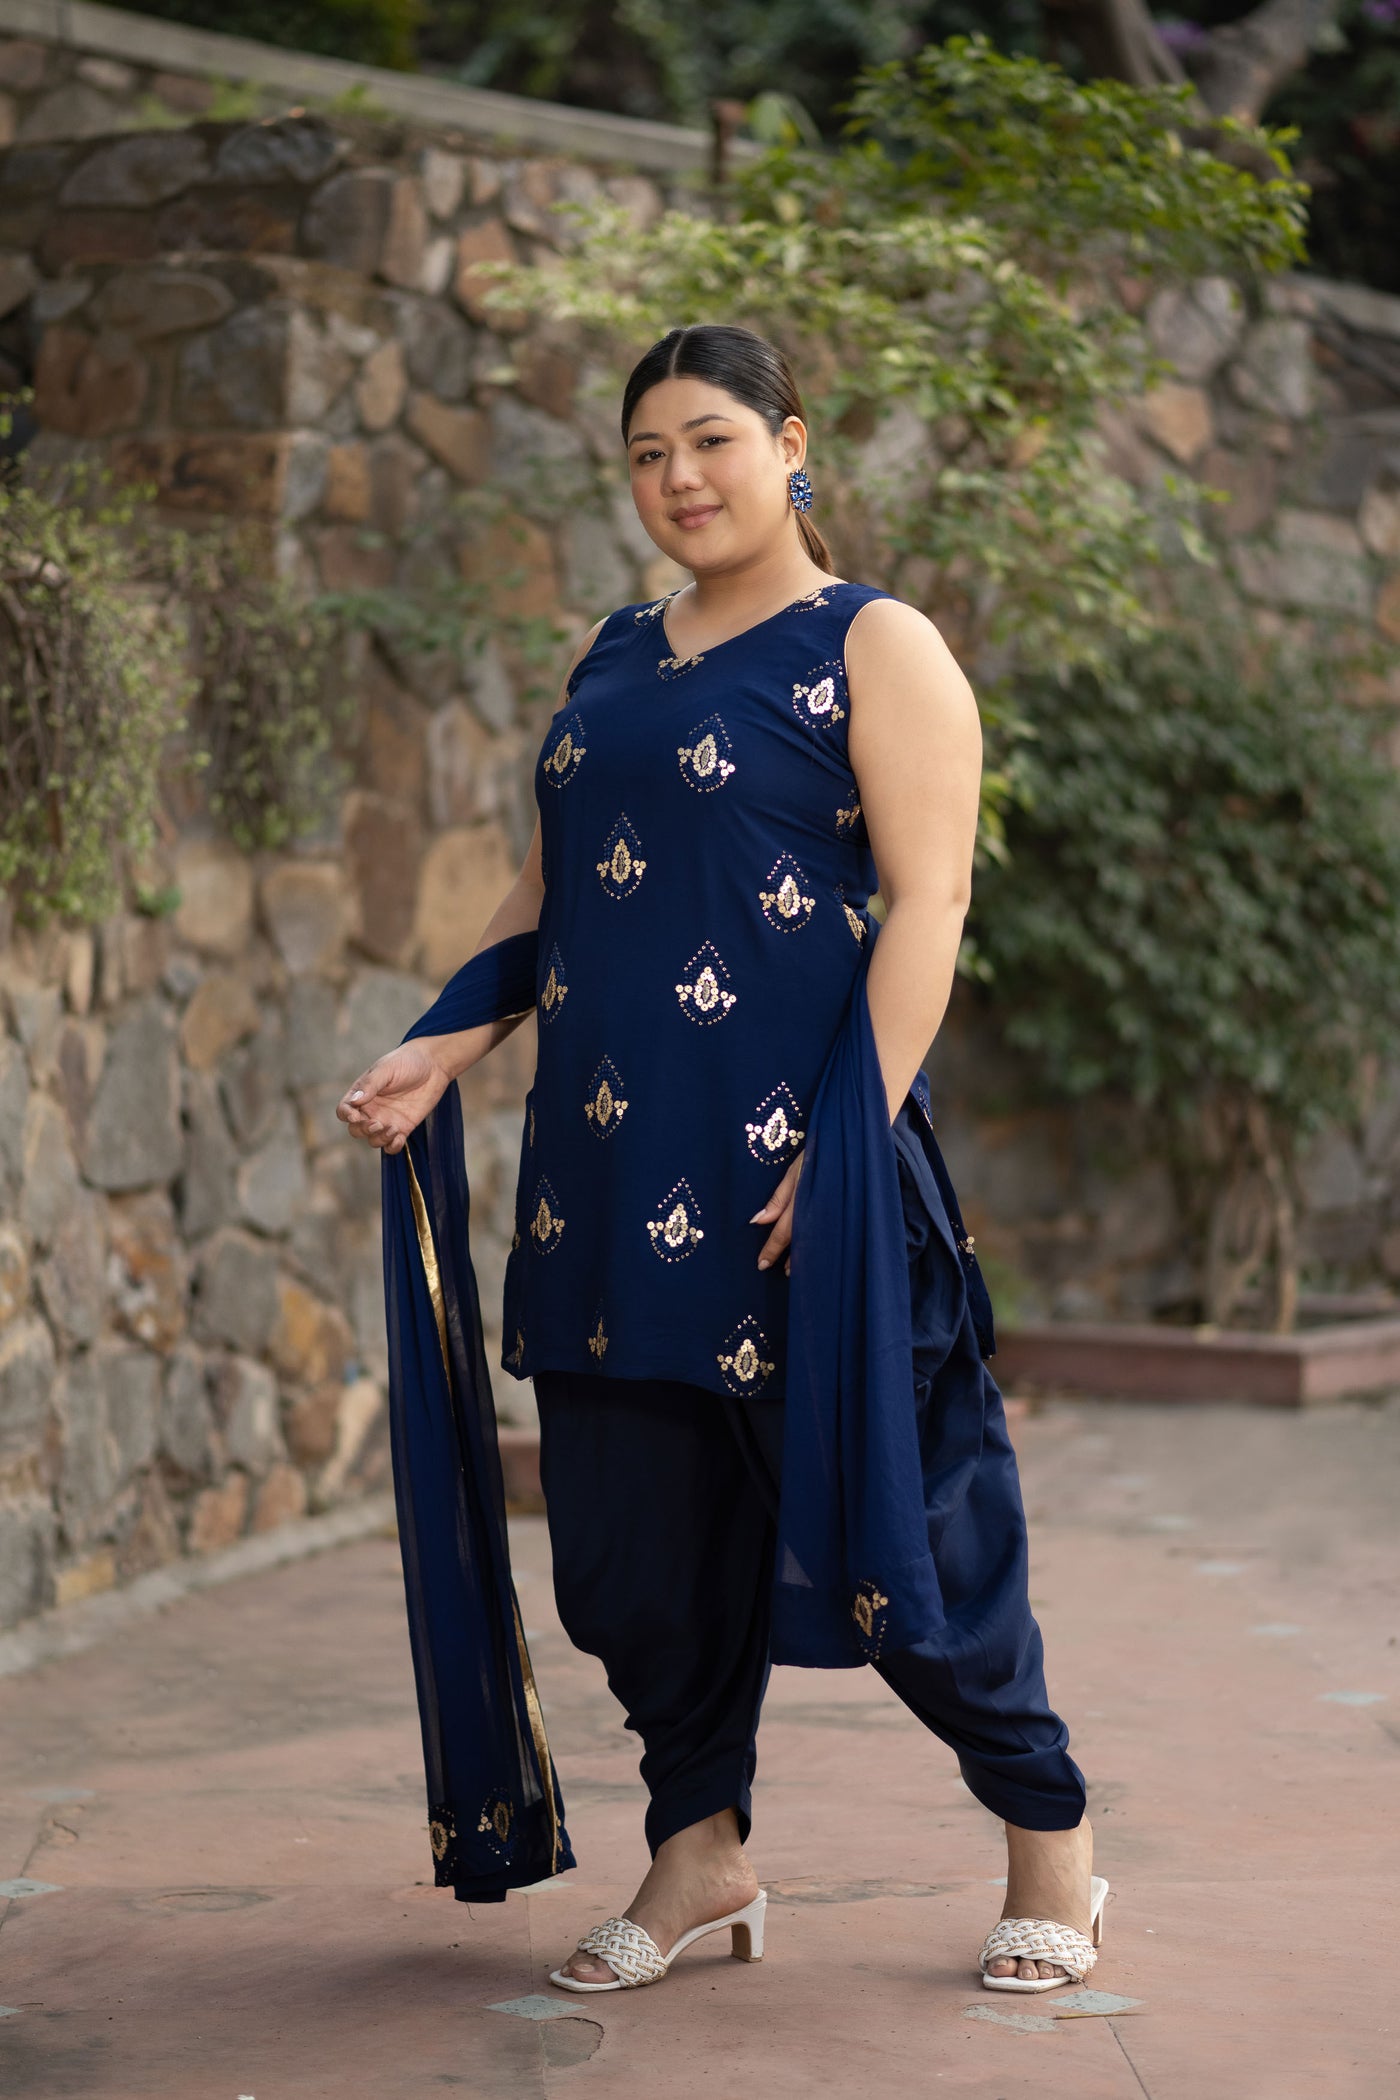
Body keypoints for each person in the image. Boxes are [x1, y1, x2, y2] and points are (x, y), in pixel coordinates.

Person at [337, 323, 1107, 1996]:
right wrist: (443, 1040)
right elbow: (552, 895)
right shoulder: (615, 653)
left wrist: (843, 1152)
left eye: (710, 441)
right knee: (630, 1552)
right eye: (645, 453)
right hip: (607, 1182)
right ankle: (703, 1854)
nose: (677, 478)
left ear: (791, 446)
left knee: (908, 1526)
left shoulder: (874, 643)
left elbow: (933, 902)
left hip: (794, 1177)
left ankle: (1049, 1839)